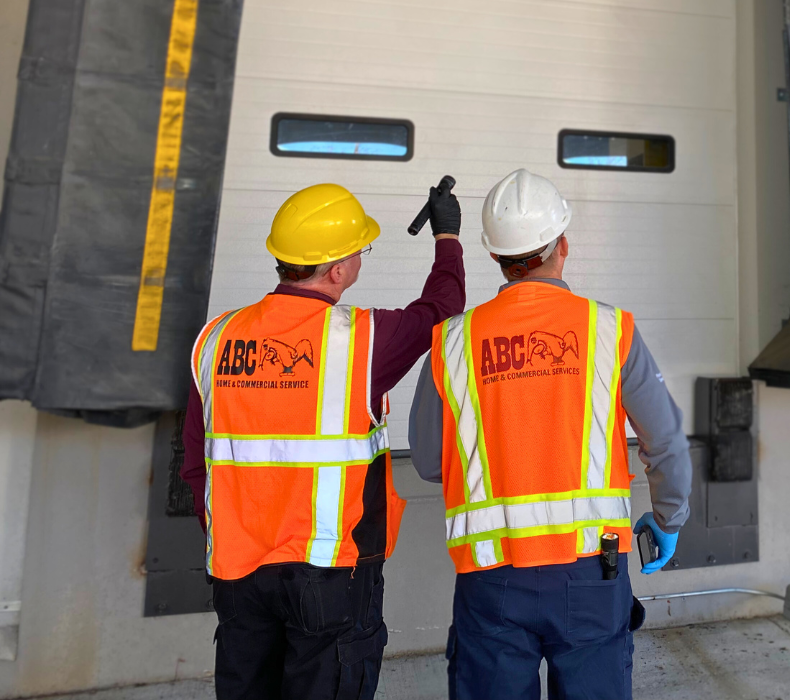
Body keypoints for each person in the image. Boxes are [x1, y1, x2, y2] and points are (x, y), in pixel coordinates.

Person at [408, 169, 692, 700]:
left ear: (495, 258)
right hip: (592, 573)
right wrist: (669, 517)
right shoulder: (610, 330)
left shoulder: (450, 342)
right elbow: (668, 442)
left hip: (490, 576)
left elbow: (427, 460)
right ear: (563, 246)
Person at [181, 181, 465, 700]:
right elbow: (442, 308)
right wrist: (447, 236)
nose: (361, 258)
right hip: (329, 575)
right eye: (360, 250)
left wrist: (231, 537)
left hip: (237, 575)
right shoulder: (363, 340)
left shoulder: (216, 338)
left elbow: (195, 464)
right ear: (337, 270)